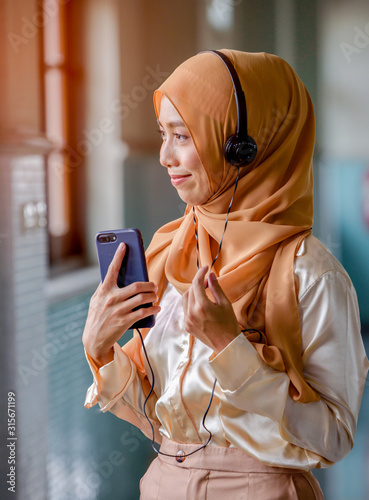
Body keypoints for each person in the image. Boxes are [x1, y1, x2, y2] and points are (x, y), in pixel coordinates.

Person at [83, 49, 369, 500]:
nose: (163, 156)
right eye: (163, 134)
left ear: (243, 148)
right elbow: (155, 417)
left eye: (182, 135)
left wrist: (229, 347)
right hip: (164, 482)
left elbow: (332, 437)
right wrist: (99, 349)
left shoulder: (310, 274)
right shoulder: (169, 254)